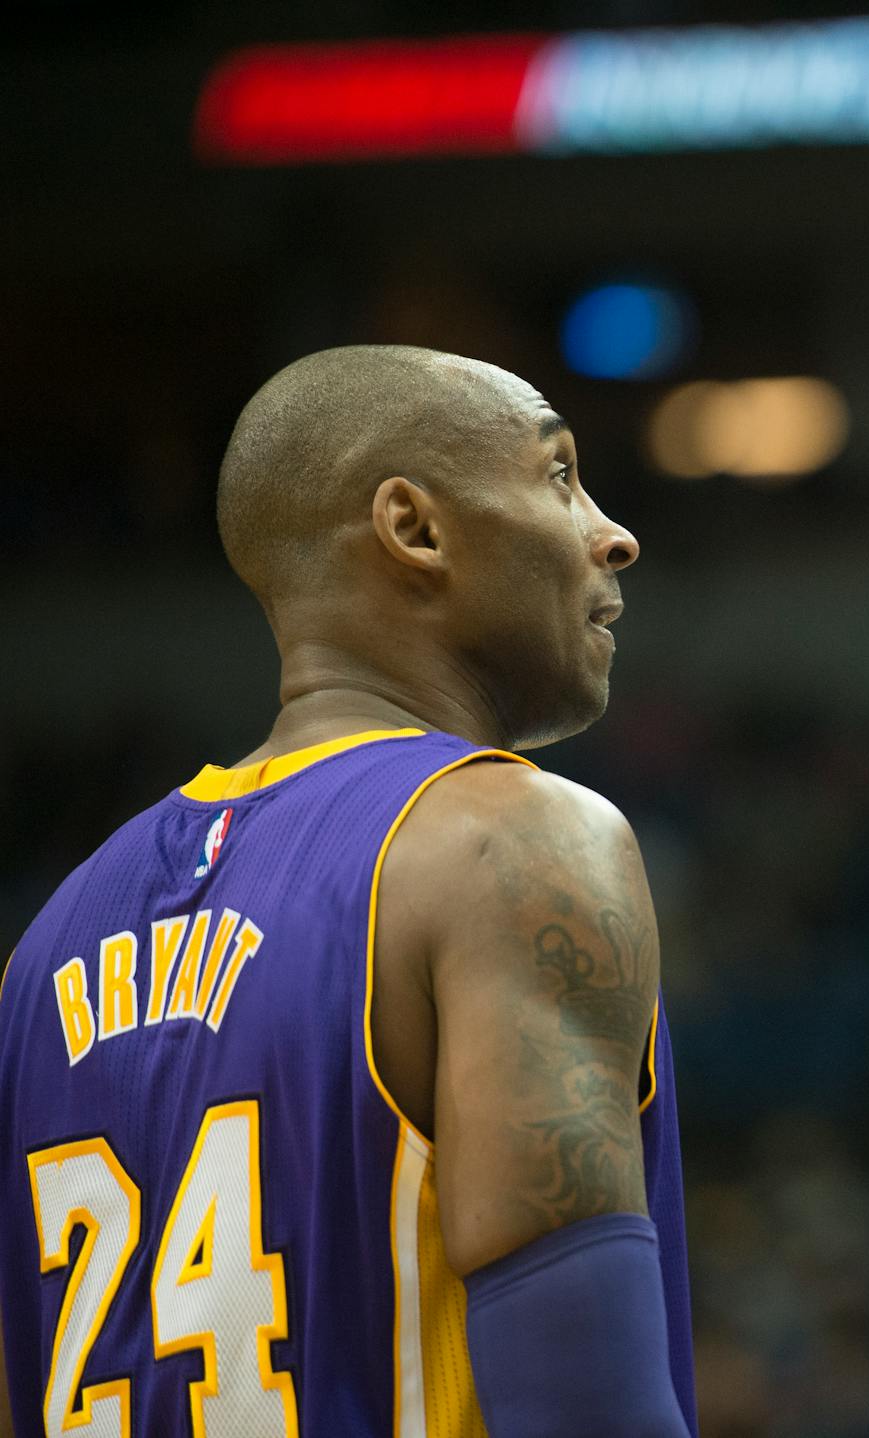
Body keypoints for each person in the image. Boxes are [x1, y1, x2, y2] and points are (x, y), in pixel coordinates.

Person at [0, 346, 695, 1437]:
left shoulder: (44, 949)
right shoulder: (507, 839)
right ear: (414, 528)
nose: (613, 534)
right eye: (560, 475)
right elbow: (582, 1405)